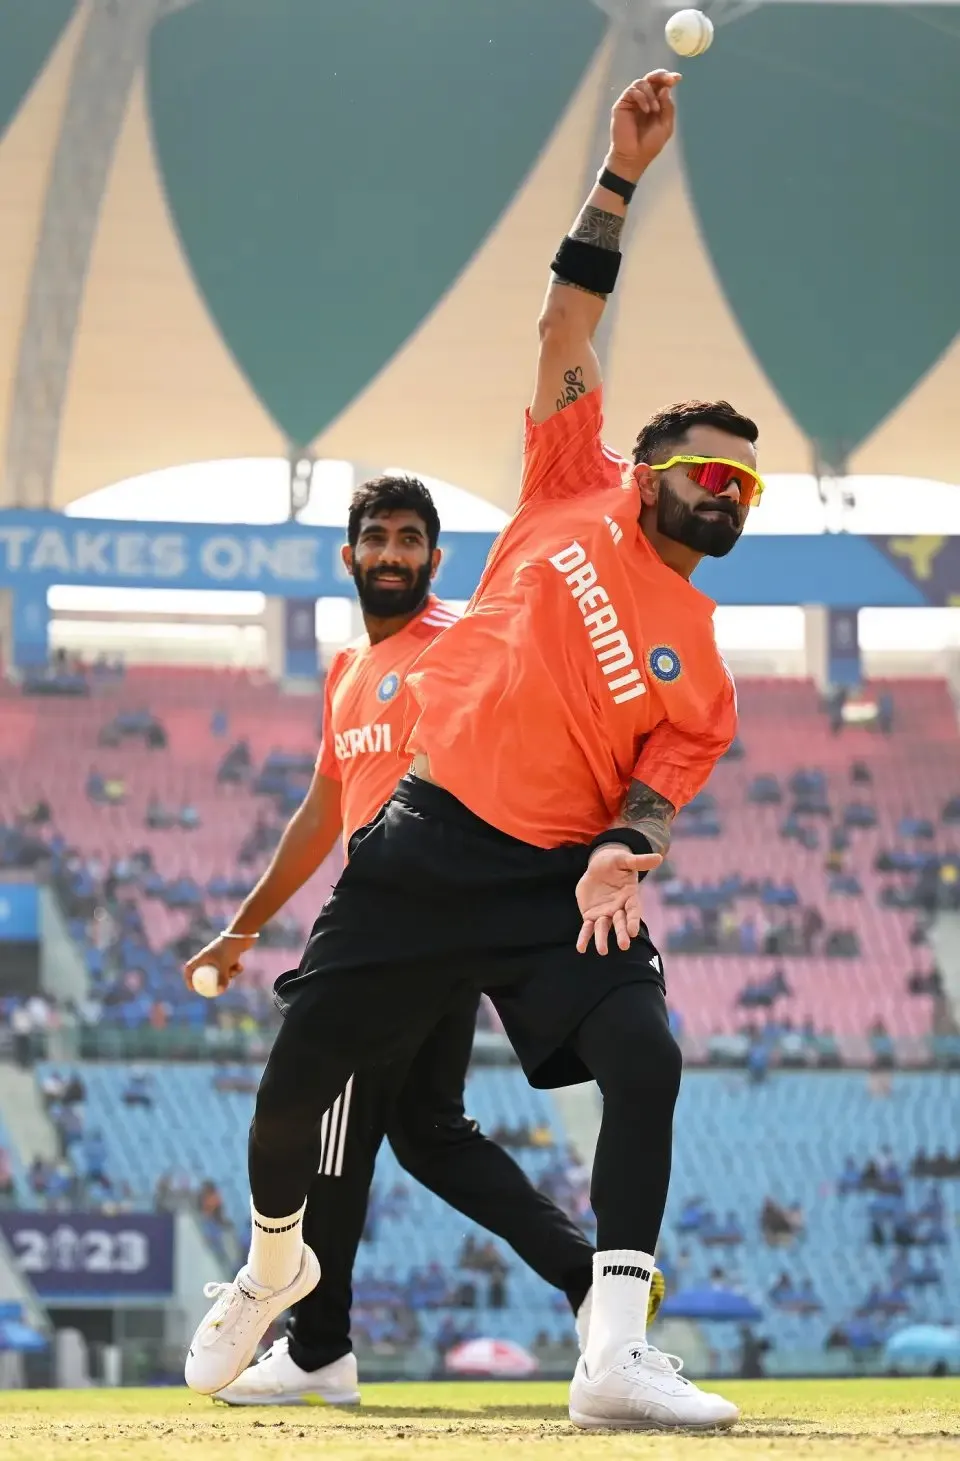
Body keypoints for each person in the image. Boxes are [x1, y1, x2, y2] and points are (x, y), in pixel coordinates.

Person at [185, 70, 753, 1431]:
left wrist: (625, 852)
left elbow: (663, 786)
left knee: (648, 1059)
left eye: (747, 481)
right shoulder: (570, 482)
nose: (726, 492)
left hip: (553, 882)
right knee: (301, 1093)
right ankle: (276, 1272)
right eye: (709, 470)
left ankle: (613, 1350)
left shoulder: (704, 663)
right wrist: (621, 176)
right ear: (646, 463)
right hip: (427, 844)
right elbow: (566, 313)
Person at [185, 474, 633, 1406]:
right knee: (427, 1131)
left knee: (335, 1130)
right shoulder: (348, 671)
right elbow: (323, 807)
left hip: (410, 927)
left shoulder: (461, 646)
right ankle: (583, 1276)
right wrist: (243, 926)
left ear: (436, 558)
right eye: (376, 538)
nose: (392, 553)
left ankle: (318, 1345)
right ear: (348, 556)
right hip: (389, 928)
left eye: (409, 539)